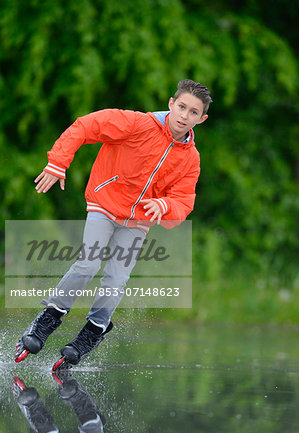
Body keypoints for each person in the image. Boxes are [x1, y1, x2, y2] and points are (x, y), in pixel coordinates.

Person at [15, 79, 212, 369]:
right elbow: (86, 125)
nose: (185, 116)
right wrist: (57, 162)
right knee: (89, 263)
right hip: (104, 205)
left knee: (116, 280)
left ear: (202, 119)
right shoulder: (136, 123)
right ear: (171, 104)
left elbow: (184, 200)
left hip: (138, 221)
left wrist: (165, 205)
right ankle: (47, 319)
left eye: (193, 112)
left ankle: (94, 331)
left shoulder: (190, 158)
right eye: (181, 107)